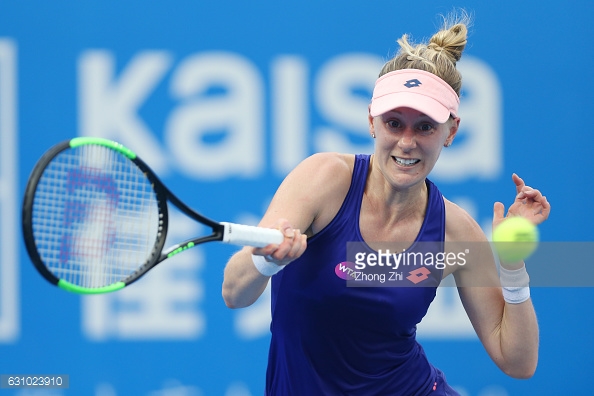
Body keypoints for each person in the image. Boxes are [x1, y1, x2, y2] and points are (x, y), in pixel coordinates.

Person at [222, 12, 551, 395]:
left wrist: (512, 264)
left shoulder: (455, 233)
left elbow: (518, 362)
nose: (407, 142)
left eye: (425, 126)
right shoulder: (323, 180)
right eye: (394, 123)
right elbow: (234, 293)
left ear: (451, 131)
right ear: (371, 123)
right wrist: (268, 259)